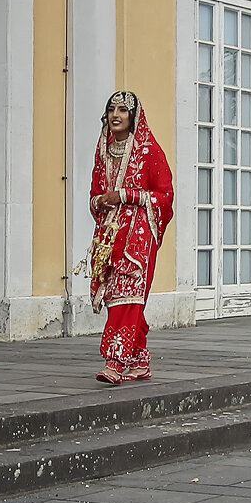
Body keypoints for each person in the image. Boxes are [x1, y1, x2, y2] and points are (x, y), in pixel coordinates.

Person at [82, 91, 174, 385]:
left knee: (129, 297)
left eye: (123, 110)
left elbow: (165, 196)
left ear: (133, 116)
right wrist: (99, 202)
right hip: (109, 236)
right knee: (114, 296)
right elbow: (94, 195)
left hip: (138, 235)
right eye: (111, 109)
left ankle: (115, 361)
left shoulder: (149, 151)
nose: (116, 115)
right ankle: (139, 359)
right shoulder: (104, 151)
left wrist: (124, 195)